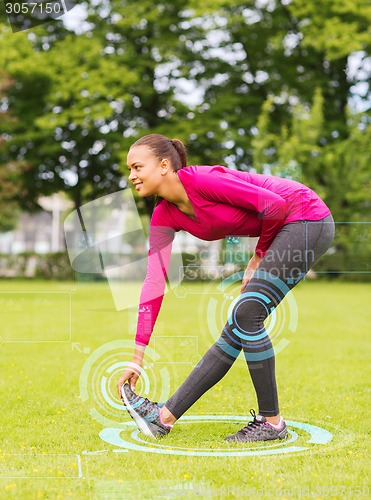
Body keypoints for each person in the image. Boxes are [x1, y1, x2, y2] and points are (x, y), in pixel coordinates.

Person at [117, 133, 335, 442]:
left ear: (164, 165)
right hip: (290, 224)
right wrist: (136, 357)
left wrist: (257, 257)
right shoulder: (164, 215)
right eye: (130, 169)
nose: (132, 176)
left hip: (305, 217)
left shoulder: (202, 179)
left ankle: (271, 422)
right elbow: (154, 282)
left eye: (137, 167)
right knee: (238, 325)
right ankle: (162, 419)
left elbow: (274, 205)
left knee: (248, 314)